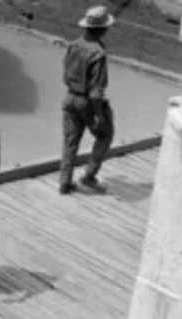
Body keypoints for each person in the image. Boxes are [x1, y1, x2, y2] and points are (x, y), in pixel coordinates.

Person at [59, 5, 115, 195]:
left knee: (70, 141)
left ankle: (64, 182)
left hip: (69, 98)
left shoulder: (73, 45)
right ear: (103, 29)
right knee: (104, 135)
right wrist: (99, 114)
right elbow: (96, 91)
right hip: (87, 102)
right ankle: (89, 177)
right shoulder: (98, 53)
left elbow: (65, 74)